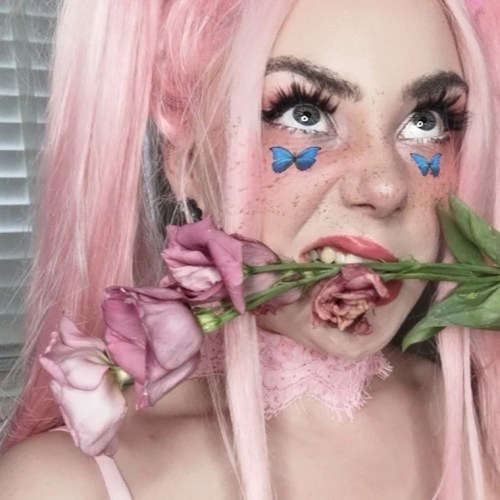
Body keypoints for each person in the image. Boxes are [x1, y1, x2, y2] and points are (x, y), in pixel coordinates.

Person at [0, 0, 499, 498]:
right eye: (304, 114)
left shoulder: (485, 418)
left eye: (427, 122)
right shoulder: (66, 484)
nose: (385, 186)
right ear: (188, 163)